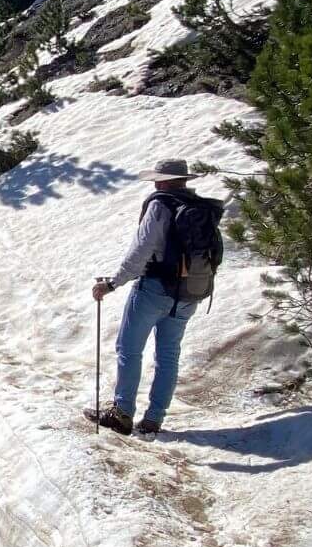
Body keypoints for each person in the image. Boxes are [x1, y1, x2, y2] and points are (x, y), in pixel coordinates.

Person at [83, 158, 225, 436]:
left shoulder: (161, 205)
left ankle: (122, 413)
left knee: (129, 349)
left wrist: (113, 284)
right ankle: (154, 419)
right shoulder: (201, 208)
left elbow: (141, 250)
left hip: (154, 289)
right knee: (168, 354)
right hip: (189, 292)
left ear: (162, 180)